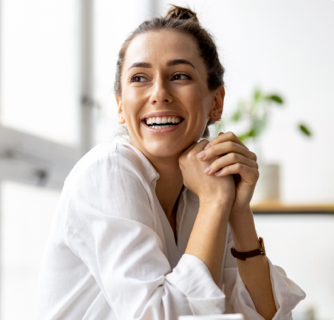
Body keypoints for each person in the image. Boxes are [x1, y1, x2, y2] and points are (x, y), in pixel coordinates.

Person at [35, 5, 305, 320]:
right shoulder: (109, 171)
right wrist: (216, 202)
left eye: (179, 75)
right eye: (140, 78)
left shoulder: (202, 189)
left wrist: (237, 211)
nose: (159, 93)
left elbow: (268, 315)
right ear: (121, 105)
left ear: (215, 102)